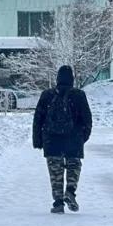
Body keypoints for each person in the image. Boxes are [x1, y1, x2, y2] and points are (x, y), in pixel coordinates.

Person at [32, 65, 92, 214]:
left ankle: (58, 202)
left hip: (52, 140)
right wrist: (83, 137)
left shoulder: (47, 95)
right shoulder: (79, 95)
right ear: (71, 79)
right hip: (74, 138)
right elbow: (87, 119)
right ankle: (70, 191)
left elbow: (38, 118)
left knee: (55, 171)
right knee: (73, 166)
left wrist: (38, 140)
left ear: (57, 79)